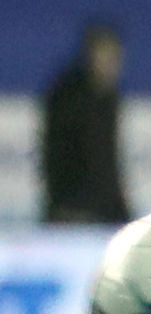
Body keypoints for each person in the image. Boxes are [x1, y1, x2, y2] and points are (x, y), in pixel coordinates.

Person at [40, 20, 133, 225]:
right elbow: (59, 156)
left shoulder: (108, 96)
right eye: (104, 54)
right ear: (90, 55)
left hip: (103, 212)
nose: (110, 63)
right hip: (71, 211)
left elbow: (109, 160)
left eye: (115, 56)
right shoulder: (68, 97)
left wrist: (120, 211)